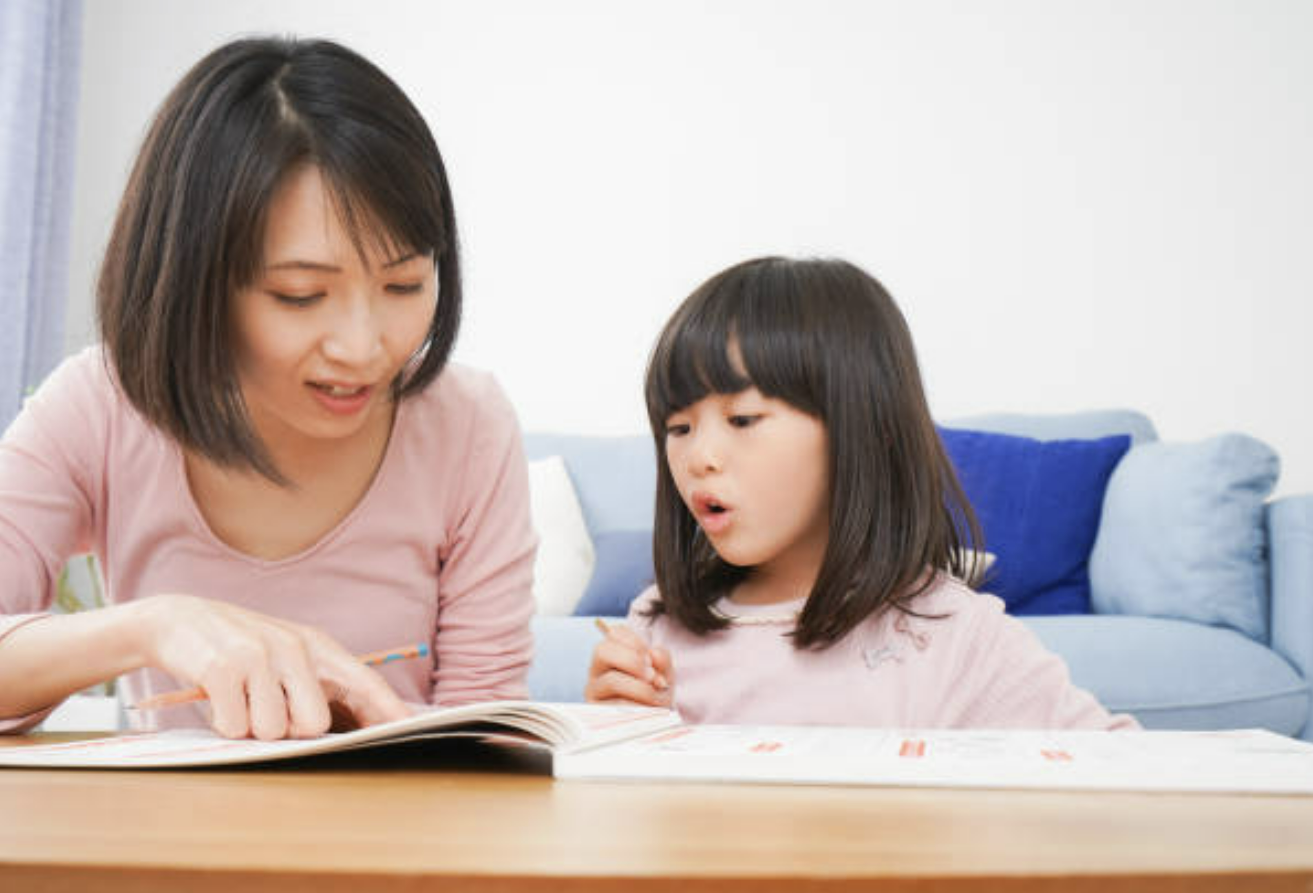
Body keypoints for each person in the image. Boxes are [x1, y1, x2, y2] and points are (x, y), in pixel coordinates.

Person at [0, 37, 536, 740]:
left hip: (403, 812)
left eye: (404, 284)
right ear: (195, 283)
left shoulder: (468, 427)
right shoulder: (99, 407)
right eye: (300, 295)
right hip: (166, 813)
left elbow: (483, 732)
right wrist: (156, 626)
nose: (362, 348)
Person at [585, 256, 1136, 730]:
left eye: (743, 419)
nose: (698, 457)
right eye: (678, 427)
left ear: (861, 431)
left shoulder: (951, 634)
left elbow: (1118, 765)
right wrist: (622, 728)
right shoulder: (657, 622)